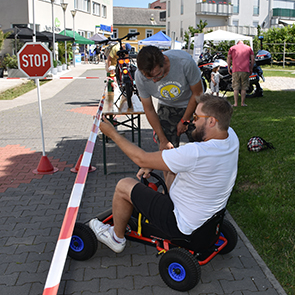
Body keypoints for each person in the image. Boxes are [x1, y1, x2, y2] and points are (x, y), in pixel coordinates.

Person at [89, 94, 239, 253]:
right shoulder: (231, 137)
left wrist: (112, 134)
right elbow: (175, 159)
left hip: (181, 224)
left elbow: (140, 159)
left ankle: (116, 238)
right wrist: (153, 163)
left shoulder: (196, 153)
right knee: (169, 157)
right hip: (207, 218)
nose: (192, 121)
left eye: (196, 117)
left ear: (211, 121)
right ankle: (159, 198)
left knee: (124, 185)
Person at [135, 45, 204, 150]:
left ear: (164, 61)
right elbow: (148, 108)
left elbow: (198, 93)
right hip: (167, 105)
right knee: (166, 148)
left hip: (192, 102)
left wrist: (185, 120)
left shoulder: (184, 62)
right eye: (149, 77)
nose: (154, 81)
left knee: (202, 144)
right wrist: (163, 140)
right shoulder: (140, 76)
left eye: (158, 75)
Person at [227, 40, 254, 107]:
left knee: (236, 87)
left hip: (235, 69)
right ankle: (242, 103)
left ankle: (236, 103)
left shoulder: (232, 48)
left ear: (237, 43)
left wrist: (228, 67)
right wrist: (251, 68)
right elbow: (252, 59)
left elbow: (228, 58)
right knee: (244, 87)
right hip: (245, 70)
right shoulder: (249, 48)